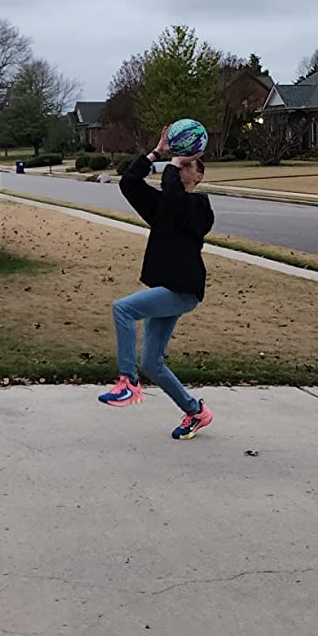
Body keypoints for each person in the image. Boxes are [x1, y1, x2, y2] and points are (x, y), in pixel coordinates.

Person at [98, 126, 214, 438]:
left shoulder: (199, 207)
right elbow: (129, 182)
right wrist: (156, 153)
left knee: (122, 309)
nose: (180, 168)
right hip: (166, 288)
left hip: (184, 289)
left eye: (187, 165)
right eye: (180, 164)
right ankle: (196, 412)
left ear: (199, 176)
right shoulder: (162, 204)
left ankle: (127, 382)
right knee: (152, 362)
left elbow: (176, 199)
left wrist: (173, 166)